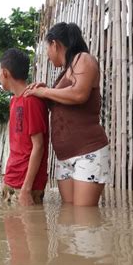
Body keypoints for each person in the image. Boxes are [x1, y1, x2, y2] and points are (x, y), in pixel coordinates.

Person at [25, 22, 109, 207]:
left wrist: (45, 93)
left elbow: (79, 94)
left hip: (87, 152)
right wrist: (43, 92)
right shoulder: (64, 73)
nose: (47, 55)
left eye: (47, 48)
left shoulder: (83, 59)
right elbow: (62, 107)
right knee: (69, 217)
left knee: (85, 220)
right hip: (65, 157)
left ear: (55, 44)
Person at [0, 48, 49, 206]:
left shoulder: (32, 101)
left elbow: (38, 146)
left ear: (5, 73)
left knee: (28, 230)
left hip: (26, 186)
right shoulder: (14, 101)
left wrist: (26, 189)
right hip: (11, 180)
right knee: (11, 229)